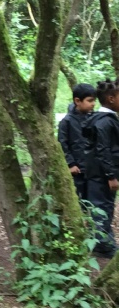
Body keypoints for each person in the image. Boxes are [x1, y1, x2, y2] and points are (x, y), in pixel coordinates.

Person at [82, 78, 119, 259]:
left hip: (100, 174)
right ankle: (103, 246)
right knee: (101, 209)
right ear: (111, 99)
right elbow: (103, 150)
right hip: (101, 175)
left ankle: (105, 242)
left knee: (105, 207)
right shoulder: (104, 122)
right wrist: (111, 175)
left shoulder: (104, 119)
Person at [58, 83, 96, 200]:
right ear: (77, 101)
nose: (93, 104)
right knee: (78, 200)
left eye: (94, 100)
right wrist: (71, 164)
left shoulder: (93, 119)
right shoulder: (66, 122)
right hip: (77, 171)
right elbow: (62, 144)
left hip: (92, 171)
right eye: (90, 100)